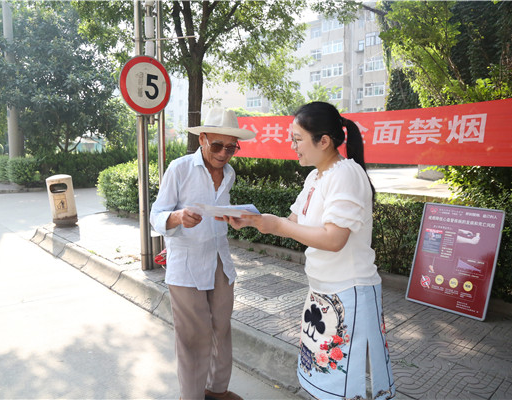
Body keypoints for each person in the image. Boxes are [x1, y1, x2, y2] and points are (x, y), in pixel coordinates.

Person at [223, 102, 396, 400]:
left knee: (345, 386)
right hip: (321, 291)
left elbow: (334, 239)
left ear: (324, 141)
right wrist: (255, 221)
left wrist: (277, 225)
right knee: (325, 380)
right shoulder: (315, 177)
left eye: (298, 139)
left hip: (349, 291)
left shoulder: (346, 174)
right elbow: (293, 223)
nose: (293, 146)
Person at [150, 107, 256, 400]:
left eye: (231, 148)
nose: (223, 154)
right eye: (217, 145)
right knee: (193, 337)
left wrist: (233, 217)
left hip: (220, 260)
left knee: (221, 328)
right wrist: (177, 217)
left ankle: (217, 390)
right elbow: (156, 214)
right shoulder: (180, 168)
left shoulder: (229, 173)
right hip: (187, 265)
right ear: (202, 139)